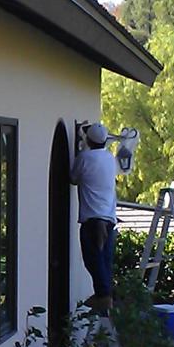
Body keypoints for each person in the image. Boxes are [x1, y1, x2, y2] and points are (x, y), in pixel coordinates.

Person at [69, 122, 119, 314]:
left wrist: (78, 146)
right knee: (104, 260)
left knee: (92, 259)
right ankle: (104, 295)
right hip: (108, 219)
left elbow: (73, 179)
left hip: (92, 219)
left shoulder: (84, 158)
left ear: (88, 140)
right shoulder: (110, 159)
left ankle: (103, 296)